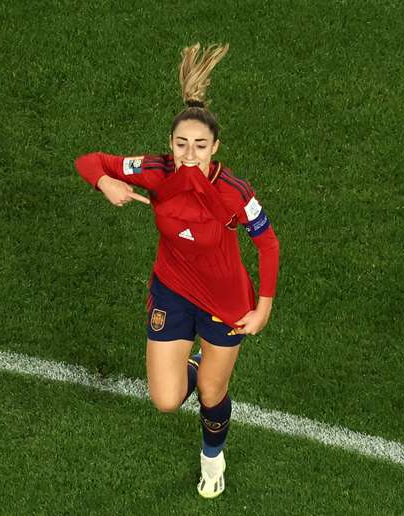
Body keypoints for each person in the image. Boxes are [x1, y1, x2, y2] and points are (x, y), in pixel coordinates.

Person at [74, 43, 280, 499]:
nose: (190, 154)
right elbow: (90, 161)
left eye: (200, 146)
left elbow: (267, 242)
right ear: (170, 144)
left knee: (211, 391)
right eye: (182, 144)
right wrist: (106, 181)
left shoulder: (234, 192)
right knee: (166, 399)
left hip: (227, 303)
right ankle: (187, 358)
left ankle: (213, 457)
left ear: (216, 147)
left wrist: (263, 306)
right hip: (171, 291)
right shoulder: (156, 169)